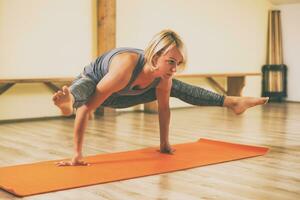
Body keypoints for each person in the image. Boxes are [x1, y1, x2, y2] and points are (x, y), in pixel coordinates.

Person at [52, 30, 268, 166]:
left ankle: (232, 102)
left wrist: (164, 143)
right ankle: (69, 100)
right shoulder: (125, 66)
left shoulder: (163, 76)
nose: (175, 68)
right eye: (171, 61)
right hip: (98, 85)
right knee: (85, 89)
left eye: (179, 63)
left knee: (176, 86)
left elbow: (164, 109)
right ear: (155, 56)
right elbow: (87, 109)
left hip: (127, 94)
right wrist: (77, 155)